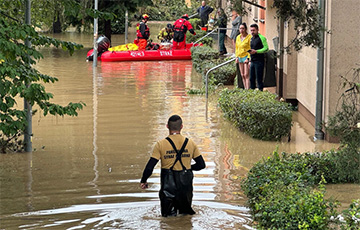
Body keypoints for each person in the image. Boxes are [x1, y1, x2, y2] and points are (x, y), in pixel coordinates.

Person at [140, 115, 206, 217]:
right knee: (186, 217)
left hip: (168, 186)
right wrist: (188, 167)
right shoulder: (190, 143)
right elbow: (201, 165)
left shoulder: (160, 144)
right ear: (181, 127)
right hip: (185, 186)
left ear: (167, 126)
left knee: (168, 218)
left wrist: (144, 180)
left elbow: (150, 167)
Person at [249, 24, 268, 91]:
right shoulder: (251, 39)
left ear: (257, 30)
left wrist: (256, 51)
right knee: (251, 78)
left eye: (253, 30)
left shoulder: (261, 38)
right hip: (252, 61)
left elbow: (266, 48)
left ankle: (260, 90)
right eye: (251, 30)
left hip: (259, 61)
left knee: (259, 78)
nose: (252, 32)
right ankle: (252, 91)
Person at [235, 23, 251, 89]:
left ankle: (248, 89)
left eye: (243, 28)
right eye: (240, 28)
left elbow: (250, 48)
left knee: (246, 74)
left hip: (245, 56)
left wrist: (248, 58)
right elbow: (236, 47)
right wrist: (236, 57)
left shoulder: (249, 37)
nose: (241, 30)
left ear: (245, 29)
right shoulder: (238, 37)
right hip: (239, 56)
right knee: (242, 75)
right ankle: (245, 88)